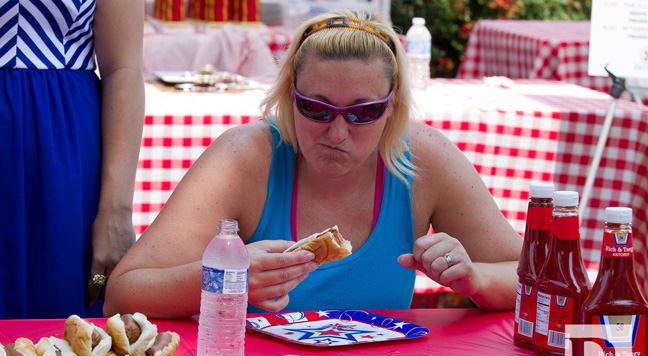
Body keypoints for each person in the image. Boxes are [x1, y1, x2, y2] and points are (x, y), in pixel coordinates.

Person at [104, 9, 522, 319]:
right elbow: (122, 295)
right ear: (290, 96)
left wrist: (476, 280)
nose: (337, 133)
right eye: (317, 109)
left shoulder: (422, 160)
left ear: (392, 107)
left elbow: (534, 279)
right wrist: (230, 277)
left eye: (363, 113)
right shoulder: (246, 158)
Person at [0, 0, 144, 319]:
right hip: (59, 134)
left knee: (58, 326)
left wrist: (116, 211)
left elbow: (124, 69)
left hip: (60, 154)